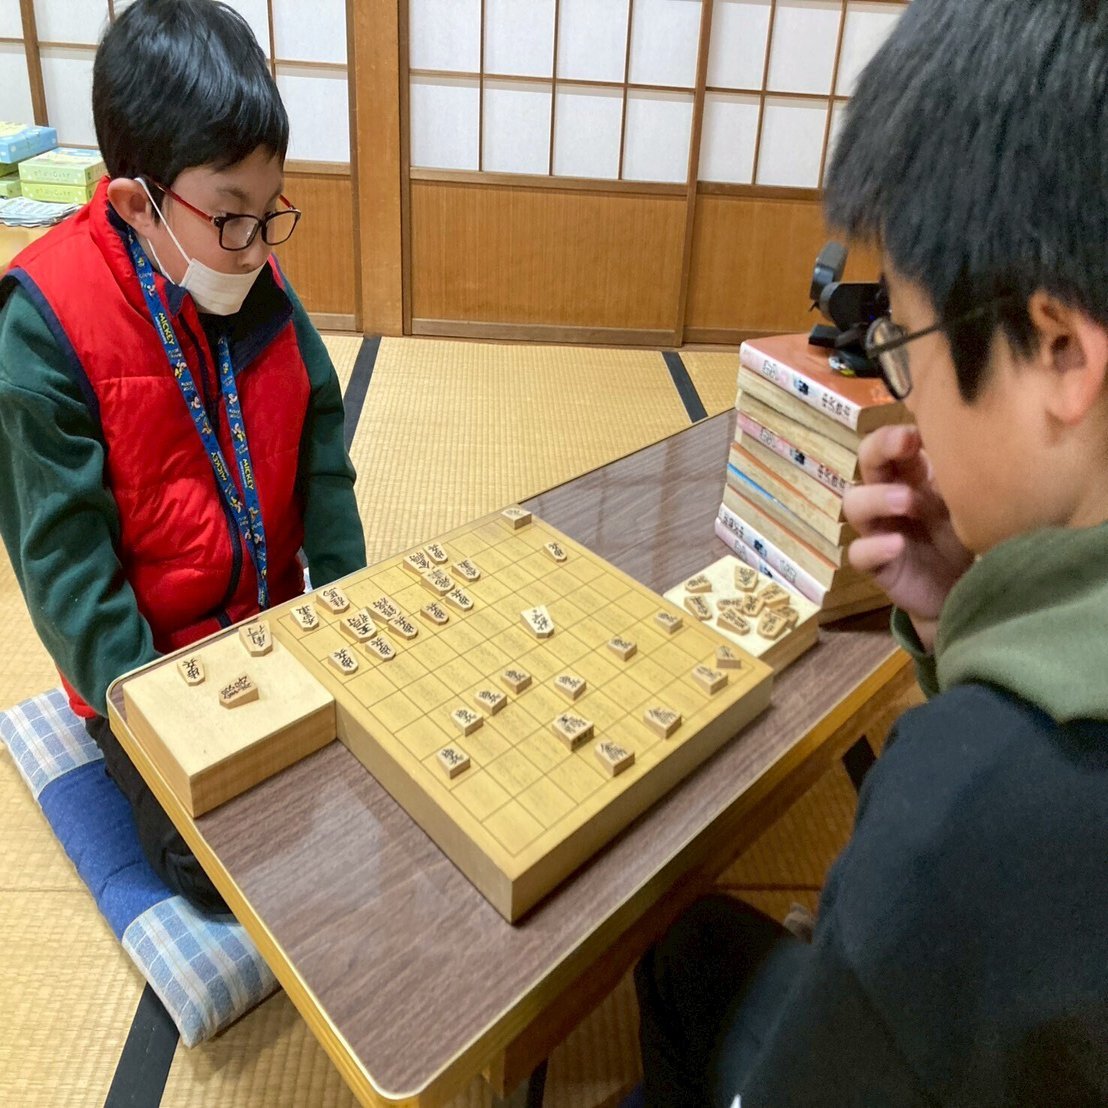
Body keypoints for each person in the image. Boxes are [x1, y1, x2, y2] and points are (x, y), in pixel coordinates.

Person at [630, 0, 1108, 1103]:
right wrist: (960, 617)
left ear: (1057, 349)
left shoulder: (966, 808)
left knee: (686, 953)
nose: (905, 401)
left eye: (904, 341)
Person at [0, 0, 366, 914]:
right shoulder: (40, 328)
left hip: (270, 619)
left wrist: (349, 606)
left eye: (271, 213)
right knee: (217, 857)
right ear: (138, 202)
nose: (258, 246)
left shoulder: (245, 271)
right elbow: (67, 575)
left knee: (379, 750)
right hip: (153, 666)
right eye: (232, 217)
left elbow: (322, 447)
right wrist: (162, 722)